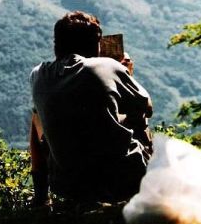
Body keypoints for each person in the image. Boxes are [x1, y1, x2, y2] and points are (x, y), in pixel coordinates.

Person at [29, 11, 153, 206]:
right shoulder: (108, 66)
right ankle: (145, 193)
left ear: (56, 44)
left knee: (36, 118)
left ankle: (40, 196)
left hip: (65, 186)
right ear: (97, 45)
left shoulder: (38, 74)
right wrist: (126, 74)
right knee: (138, 118)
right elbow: (147, 107)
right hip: (119, 183)